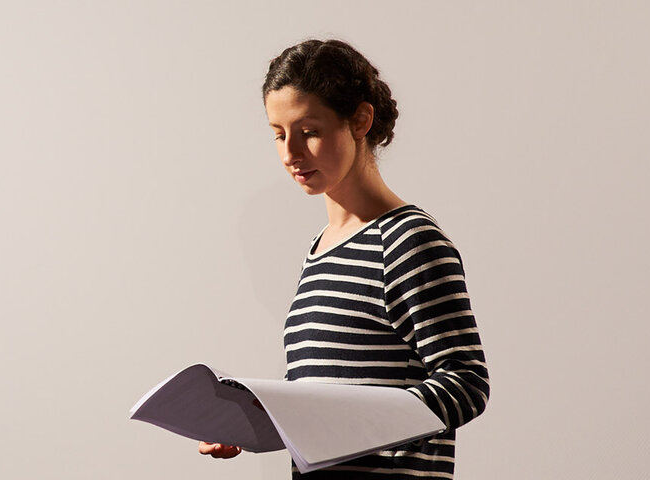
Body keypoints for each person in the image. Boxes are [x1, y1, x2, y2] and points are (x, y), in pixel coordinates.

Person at [197, 39, 491, 478]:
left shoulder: (408, 240)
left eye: (309, 131)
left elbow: (467, 383)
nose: (290, 154)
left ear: (360, 120)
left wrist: (346, 423)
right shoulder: (319, 250)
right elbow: (333, 401)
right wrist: (257, 423)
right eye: (279, 134)